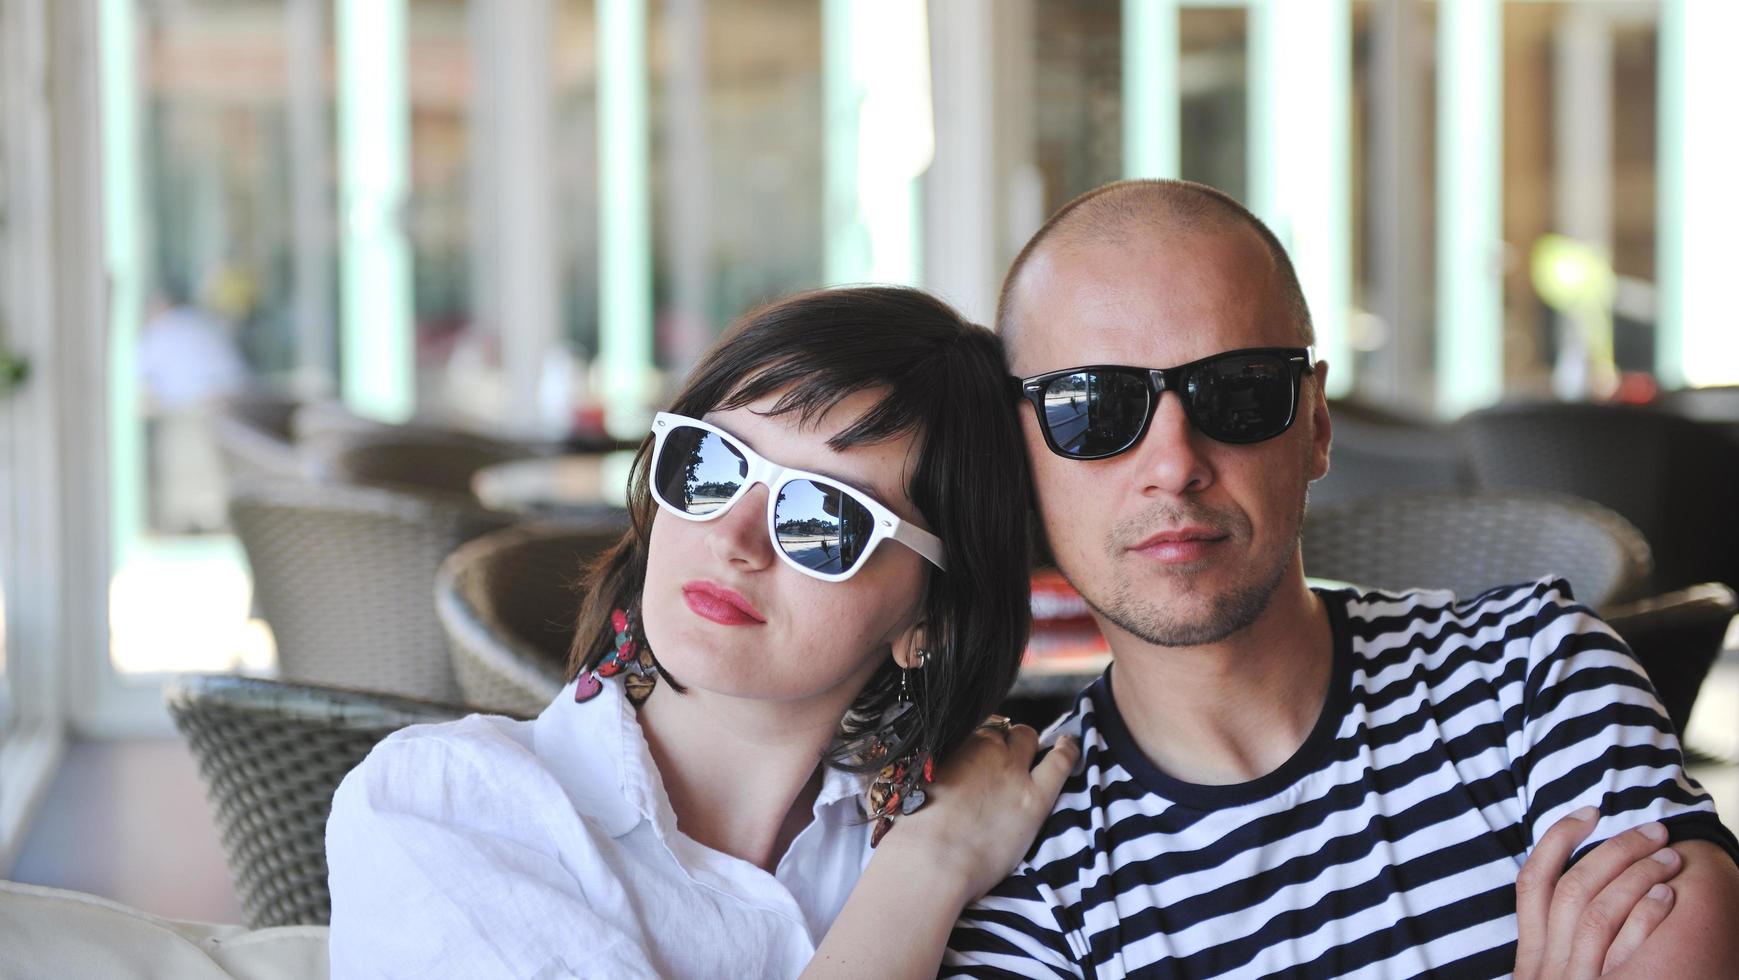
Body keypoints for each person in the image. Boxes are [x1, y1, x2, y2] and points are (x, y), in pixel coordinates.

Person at [945, 179, 1739, 977]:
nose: (1174, 465)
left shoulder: (1536, 676)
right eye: (1093, 408)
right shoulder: (1027, 868)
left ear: (1315, 425)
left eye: (1239, 391)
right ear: (1021, 461)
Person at [326, 286, 1077, 978]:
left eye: (823, 518)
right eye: (711, 464)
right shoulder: (445, 806)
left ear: (930, 617)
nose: (733, 536)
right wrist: (925, 870)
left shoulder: (997, 828)